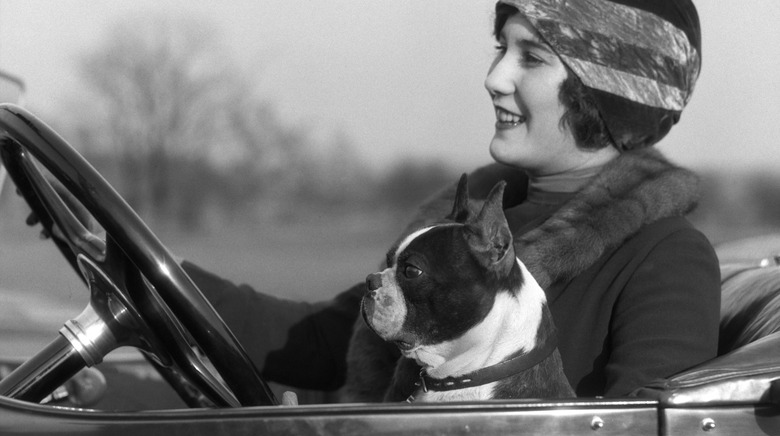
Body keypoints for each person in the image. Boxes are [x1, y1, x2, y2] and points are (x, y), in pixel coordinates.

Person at [183, 0, 720, 399]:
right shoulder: (466, 222)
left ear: (607, 94)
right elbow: (324, 340)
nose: (495, 77)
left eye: (530, 57)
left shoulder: (666, 258)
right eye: (500, 49)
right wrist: (164, 275)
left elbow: (649, 427)